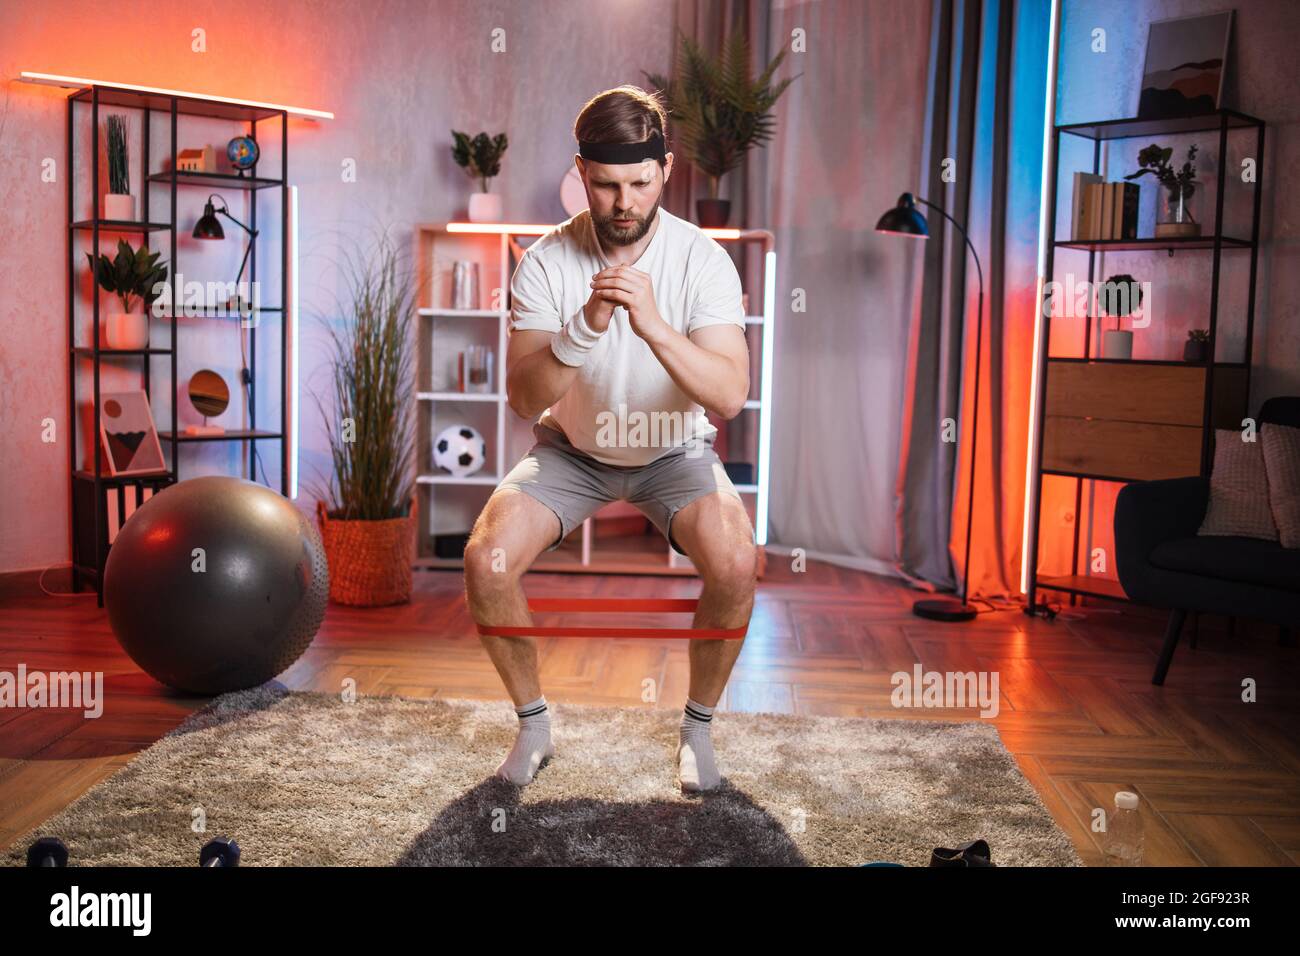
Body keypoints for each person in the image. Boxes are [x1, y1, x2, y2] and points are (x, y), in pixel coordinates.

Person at [463, 85, 757, 794]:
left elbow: (727, 396)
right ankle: (534, 727)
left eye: (638, 182)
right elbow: (525, 397)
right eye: (605, 185)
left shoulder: (703, 261)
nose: (623, 202)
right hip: (572, 453)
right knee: (486, 561)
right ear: (581, 175)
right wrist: (587, 322)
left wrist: (652, 322)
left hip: (674, 452)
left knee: (738, 562)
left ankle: (697, 731)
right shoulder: (544, 261)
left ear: (666, 170)